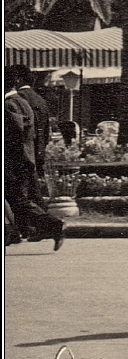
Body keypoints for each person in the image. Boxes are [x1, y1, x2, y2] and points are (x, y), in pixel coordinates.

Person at [4, 68, 64, 249]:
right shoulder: (23, 102)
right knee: (17, 199)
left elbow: (14, 132)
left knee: (17, 200)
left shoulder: (9, 105)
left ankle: (53, 225)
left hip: (12, 161)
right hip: (25, 159)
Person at [11, 66, 52, 185]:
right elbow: (46, 130)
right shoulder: (40, 99)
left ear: (18, 79)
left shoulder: (18, 99)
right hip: (39, 149)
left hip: (24, 151)